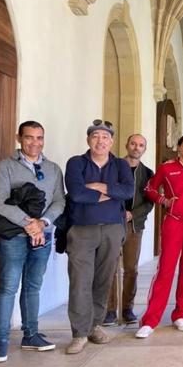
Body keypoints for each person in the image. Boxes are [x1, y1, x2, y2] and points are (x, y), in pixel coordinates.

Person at [0, 121, 65, 363]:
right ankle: (1, 341)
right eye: (30, 137)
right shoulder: (5, 167)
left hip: (43, 235)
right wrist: (28, 224)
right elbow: (0, 202)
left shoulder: (53, 169)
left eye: (39, 137)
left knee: (33, 286)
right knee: (9, 287)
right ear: (19, 138)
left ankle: (30, 335)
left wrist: (41, 223)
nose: (35, 142)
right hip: (13, 236)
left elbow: (59, 202)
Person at [64, 120, 134, 354]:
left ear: (111, 142)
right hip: (82, 229)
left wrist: (95, 187)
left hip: (113, 229)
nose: (100, 141)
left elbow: (127, 191)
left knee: (103, 280)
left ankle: (95, 325)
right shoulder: (76, 163)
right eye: (95, 136)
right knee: (80, 281)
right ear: (88, 140)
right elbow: (76, 193)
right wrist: (110, 191)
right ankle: (79, 333)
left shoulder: (121, 165)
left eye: (105, 137)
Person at [136, 134, 183, 338]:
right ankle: (150, 320)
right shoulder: (167, 168)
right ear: (179, 148)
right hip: (174, 222)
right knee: (165, 270)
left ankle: (180, 315)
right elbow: (149, 188)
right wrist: (164, 201)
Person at [103, 134, 154, 326]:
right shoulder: (112, 167)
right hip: (112, 222)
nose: (136, 147)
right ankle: (109, 310)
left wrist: (133, 214)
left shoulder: (148, 173)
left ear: (144, 149)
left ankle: (127, 309)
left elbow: (150, 201)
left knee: (131, 269)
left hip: (134, 225)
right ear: (127, 145)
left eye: (141, 145)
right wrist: (118, 211)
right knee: (110, 268)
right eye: (133, 143)